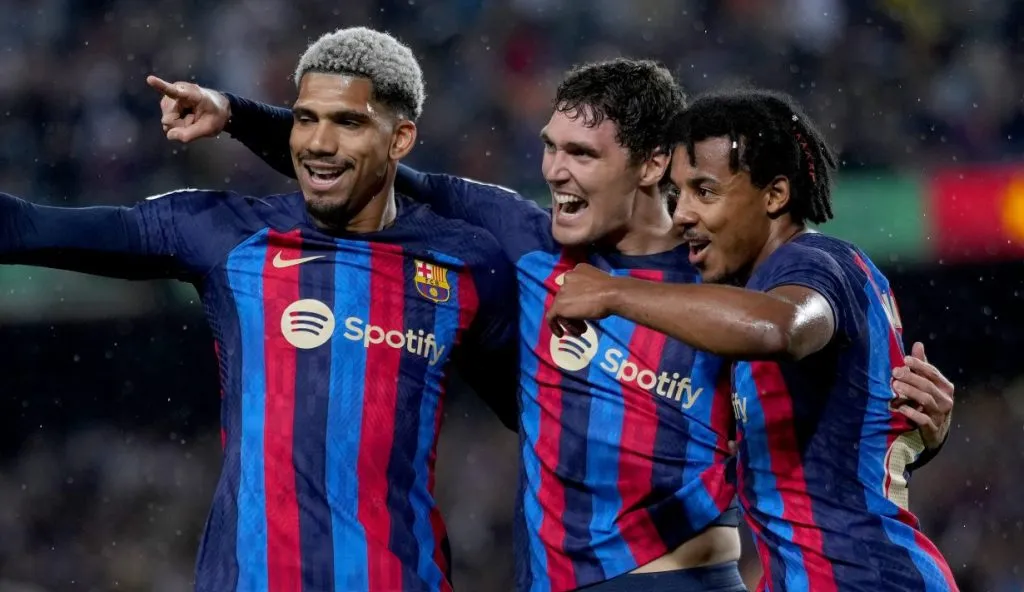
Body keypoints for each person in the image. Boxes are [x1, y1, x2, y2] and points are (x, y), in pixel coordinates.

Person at [150, 62, 954, 592]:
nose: (554, 171)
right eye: (549, 148)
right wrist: (234, 114)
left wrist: (612, 294)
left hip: (683, 576)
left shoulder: (724, 276)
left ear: (650, 168)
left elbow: (792, 336)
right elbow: (378, 171)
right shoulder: (523, 239)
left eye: (580, 153)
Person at [1, 27, 519, 592]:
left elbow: (539, 415)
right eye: (304, 118)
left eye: (347, 122)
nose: (318, 143)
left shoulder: (466, 265)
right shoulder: (224, 234)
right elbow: (27, 227)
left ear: (399, 140)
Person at [546, 88, 957, 591]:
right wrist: (923, 436)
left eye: (706, 191)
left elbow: (782, 327)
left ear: (774, 195)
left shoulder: (806, 263)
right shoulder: (777, 286)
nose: (682, 215)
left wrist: (612, 292)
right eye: (678, 194)